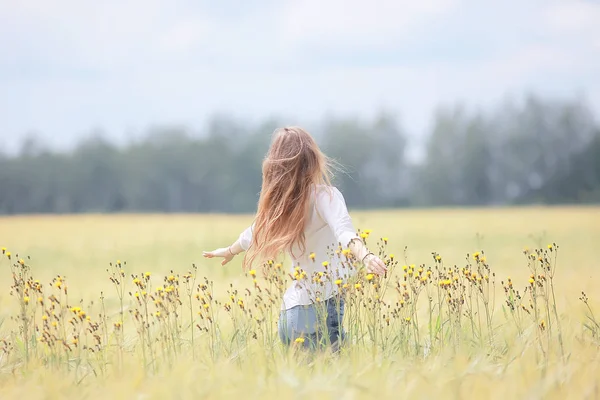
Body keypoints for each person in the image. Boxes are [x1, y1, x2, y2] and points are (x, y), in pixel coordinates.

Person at [203, 126, 387, 350]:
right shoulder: (325, 197)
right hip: (320, 313)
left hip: (289, 317)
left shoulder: (282, 207)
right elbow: (344, 231)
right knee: (337, 376)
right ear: (313, 158)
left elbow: (252, 234)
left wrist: (230, 251)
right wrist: (365, 256)